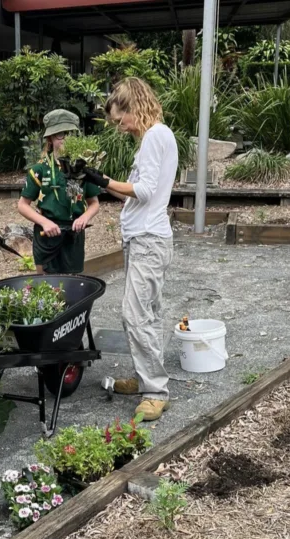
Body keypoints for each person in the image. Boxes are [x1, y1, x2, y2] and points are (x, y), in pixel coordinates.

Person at [82, 77, 178, 422]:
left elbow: (147, 191)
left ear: (133, 106)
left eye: (119, 118)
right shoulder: (155, 138)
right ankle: (145, 378)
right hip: (144, 237)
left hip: (149, 240)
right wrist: (98, 180)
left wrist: (106, 181)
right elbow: (135, 193)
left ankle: (155, 391)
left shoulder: (154, 136)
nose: (119, 126)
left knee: (134, 314)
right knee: (148, 313)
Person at [18, 109, 101, 274]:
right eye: (60, 135)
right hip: (47, 234)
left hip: (74, 234)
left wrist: (84, 217)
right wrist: (44, 222)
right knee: (46, 284)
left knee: (73, 284)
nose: (66, 139)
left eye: (70, 134)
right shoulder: (40, 169)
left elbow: (94, 203)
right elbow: (22, 205)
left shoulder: (84, 169)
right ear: (50, 138)